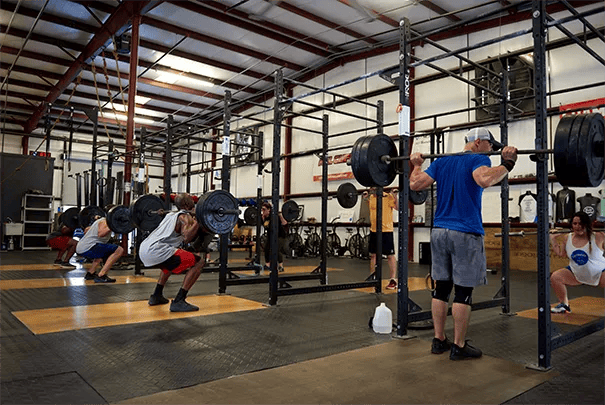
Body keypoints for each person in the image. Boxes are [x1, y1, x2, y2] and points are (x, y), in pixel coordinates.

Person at [409, 127, 518, 360]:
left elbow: (415, 185)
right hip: (465, 233)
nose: (492, 151)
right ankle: (458, 346)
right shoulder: (479, 157)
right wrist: (508, 163)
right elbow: (485, 179)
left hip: (439, 232)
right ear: (478, 142)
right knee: (463, 291)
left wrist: (416, 164)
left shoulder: (443, 161)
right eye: (490, 145)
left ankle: (438, 340)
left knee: (441, 288)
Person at [140, 193, 205, 312]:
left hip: (144, 249)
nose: (193, 199)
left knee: (169, 264)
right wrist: (198, 221)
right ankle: (179, 300)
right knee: (199, 262)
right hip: (157, 250)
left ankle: (156, 295)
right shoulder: (184, 217)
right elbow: (186, 237)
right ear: (186, 204)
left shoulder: (169, 215)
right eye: (191, 198)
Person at [549, 211, 605, 313]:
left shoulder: (598, 236)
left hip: (600, 274)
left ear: (587, 224)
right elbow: (561, 254)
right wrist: (553, 239)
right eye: (575, 224)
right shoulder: (568, 237)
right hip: (577, 273)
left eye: (581, 224)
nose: (578, 226)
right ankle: (564, 305)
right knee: (556, 277)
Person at [362, 187, 399, 290]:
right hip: (374, 230)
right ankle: (373, 277)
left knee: (390, 255)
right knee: (373, 255)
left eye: (373, 187)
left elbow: (397, 207)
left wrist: (395, 195)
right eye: (371, 187)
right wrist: (365, 197)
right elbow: (369, 207)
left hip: (386, 230)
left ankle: (393, 280)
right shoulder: (371, 198)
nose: (371, 189)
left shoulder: (388, 197)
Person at [76, 216, 124, 282]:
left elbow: (86, 230)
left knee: (101, 253)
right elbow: (100, 234)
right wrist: (112, 226)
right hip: (88, 247)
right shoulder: (105, 222)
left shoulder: (101, 221)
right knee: (119, 250)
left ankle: (90, 273)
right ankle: (101, 275)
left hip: (83, 247)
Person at [258, 201, 287, 275]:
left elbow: (285, 223)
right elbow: (265, 226)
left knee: (276, 249)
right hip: (270, 235)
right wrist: (263, 218)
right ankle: (268, 265)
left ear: (269, 210)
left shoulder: (274, 216)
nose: (263, 211)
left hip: (280, 235)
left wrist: (280, 216)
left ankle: (280, 265)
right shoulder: (264, 217)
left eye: (264, 209)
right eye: (262, 210)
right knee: (266, 248)